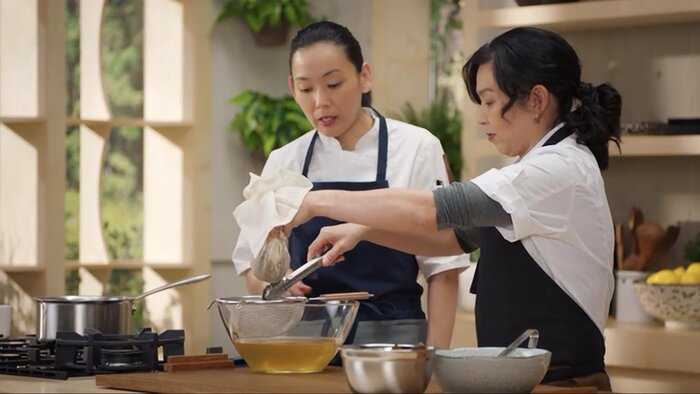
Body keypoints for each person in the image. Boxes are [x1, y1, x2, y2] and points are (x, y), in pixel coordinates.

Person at [285, 27, 621, 390]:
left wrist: (315, 201)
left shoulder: (556, 170)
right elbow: (453, 237)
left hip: (562, 385)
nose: (482, 118)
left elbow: (435, 210)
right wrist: (364, 230)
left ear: (537, 99)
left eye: (490, 101)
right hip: (528, 379)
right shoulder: (535, 168)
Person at [231, 21, 469, 348]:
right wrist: (275, 288)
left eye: (333, 83)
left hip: (394, 342)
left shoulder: (416, 148)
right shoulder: (285, 160)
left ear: (364, 76)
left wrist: (435, 358)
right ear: (291, 87)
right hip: (307, 345)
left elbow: (445, 268)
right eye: (306, 88)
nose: (320, 102)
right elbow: (252, 264)